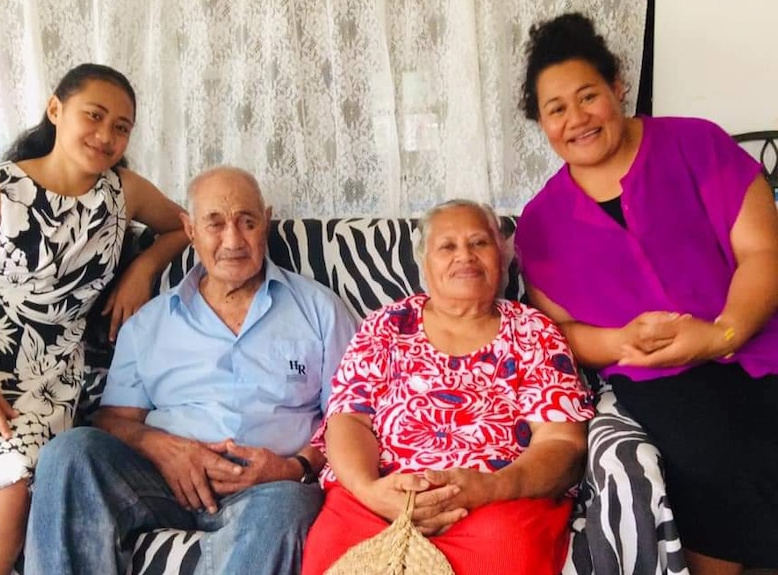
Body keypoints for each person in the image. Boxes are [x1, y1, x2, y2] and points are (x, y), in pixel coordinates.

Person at [516, 13, 778, 575]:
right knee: (707, 455)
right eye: (555, 109)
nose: (576, 119)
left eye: (588, 96)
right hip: (655, 376)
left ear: (617, 86)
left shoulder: (696, 143)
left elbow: (764, 252)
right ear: (541, 123)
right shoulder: (540, 222)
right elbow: (560, 333)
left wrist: (720, 332)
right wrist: (621, 340)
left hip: (758, 343)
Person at [0, 63, 189, 575]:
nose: (107, 135)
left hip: (46, 380)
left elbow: (185, 226)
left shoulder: (123, 193)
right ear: (56, 110)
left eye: (122, 127)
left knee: (14, 482)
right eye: (95, 115)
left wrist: (144, 265)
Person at [24, 166, 357, 575]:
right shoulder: (149, 322)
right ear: (190, 229)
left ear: (265, 223)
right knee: (69, 452)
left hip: (268, 488)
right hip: (162, 482)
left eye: (247, 222)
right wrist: (162, 448)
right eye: (215, 223)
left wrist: (293, 468)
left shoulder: (320, 310)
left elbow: (353, 420)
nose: (233, 240)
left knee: (287, 503)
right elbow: (114, 421)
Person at [301, 199, 594, 575]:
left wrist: (492, 487)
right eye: (447, 246)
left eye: (479, 243)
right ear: (425, 265)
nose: (465, 257)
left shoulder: (533, 331)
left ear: (501, 259)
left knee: (509, 555)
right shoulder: (387, 325)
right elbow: (348, 420)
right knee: (333, 555)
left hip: (500, 501)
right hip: (381, 498)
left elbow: (562, 443)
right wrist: (370, 491)